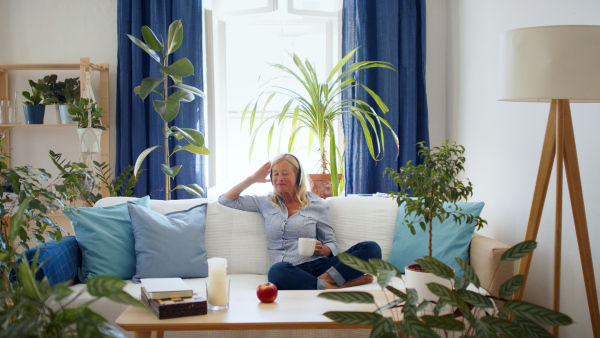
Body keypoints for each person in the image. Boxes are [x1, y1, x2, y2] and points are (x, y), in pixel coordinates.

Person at [218, 153, 382, 290]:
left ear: (297, 176)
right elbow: (226, 200)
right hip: (289, 269)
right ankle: (335, 286)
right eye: (275, 173)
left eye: (284, 173)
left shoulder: (317, 204)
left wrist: (323, 250)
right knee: (276, 272)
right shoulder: (265, 202)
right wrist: (253, 178)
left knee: (371, 249)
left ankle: (322, 281)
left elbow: (331, 243)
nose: (279, 178)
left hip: (319, 265)